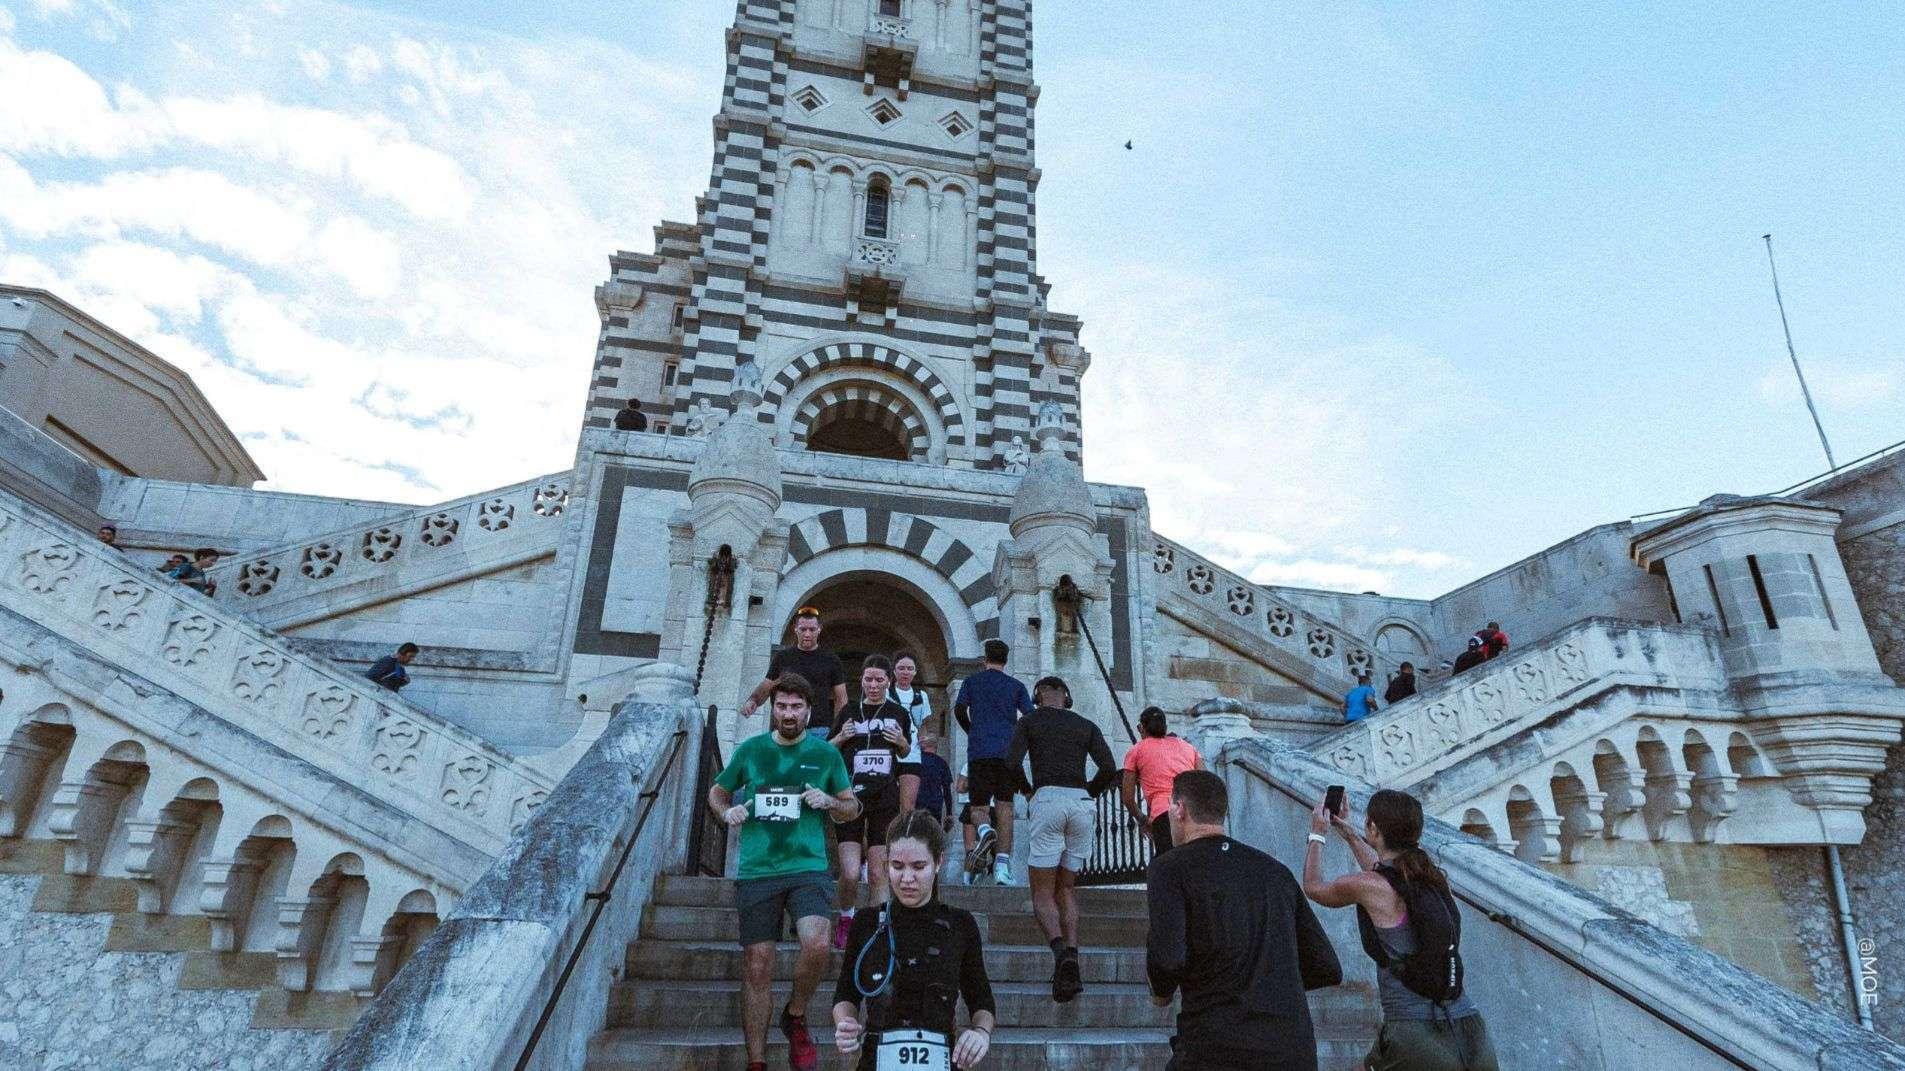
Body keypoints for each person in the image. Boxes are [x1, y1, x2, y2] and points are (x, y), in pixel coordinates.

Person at [708, 673, 861, 1071]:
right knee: (758, 963)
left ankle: (795, 1014)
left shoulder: (825, 754)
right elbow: (718, 791)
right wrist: (727, 812)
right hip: (758, 870)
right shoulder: (751, 750)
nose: (789, 714)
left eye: (796, 707)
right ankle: (756, 1061)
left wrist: (829, 800)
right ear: (772, 709)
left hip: (807, 866)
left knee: (817, 942)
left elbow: (852, 807)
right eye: (782, 706)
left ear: (809, 711)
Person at [1148, 770, 1343, 1071]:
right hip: (1292, 1048)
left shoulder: (1170, 868)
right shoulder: (1275, 872)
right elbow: (1326, 966)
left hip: (1218, 1047)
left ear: (1179, 809)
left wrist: (1161, 992)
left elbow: (1168, 959)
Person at [1301, 789, 1499, 1071]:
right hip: (1469, 1029)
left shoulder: (1369, 886)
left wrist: (1317, 833)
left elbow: (1313, 887)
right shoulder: (1430, 876)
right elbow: (1383, 872)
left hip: (1414, 1034)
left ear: (1374, 827)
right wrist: (1350, 835)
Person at [833, 810, 996, 1071]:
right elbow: (845, 994)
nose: (907, 878)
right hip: (877, 1058)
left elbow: (982, 1001)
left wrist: (980, 1033)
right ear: (886, 863)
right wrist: (845, 1024)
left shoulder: (961, 925)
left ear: (938, 862)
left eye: (918, 867)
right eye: (897, 866)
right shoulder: (866, 923)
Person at [1004, 675, 1117, 1003]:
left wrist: (1027, 789)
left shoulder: (1029, 721)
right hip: (1080, 803)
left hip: (1048, 798)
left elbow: (1010, 762)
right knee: (1066, 888)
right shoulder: (1085, 724)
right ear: (1067, 696)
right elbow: (1108, 767)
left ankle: (1060, 953)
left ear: (1037, 697)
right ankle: (1073, 954)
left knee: (1041, 890)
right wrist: (1089, 793)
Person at [830, 655, 915, 950]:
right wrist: (842, 736)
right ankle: (846, 917)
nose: (874, 685)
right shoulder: (849, 711)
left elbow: (906, 752)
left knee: (879, 871)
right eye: (869, 679)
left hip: (884, 797)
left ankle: (880, 927)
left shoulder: (898, 712)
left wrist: (901, 741)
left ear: (889, 681)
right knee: (851, 873)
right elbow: (828, 750)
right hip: (849, 797)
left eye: (879, 680)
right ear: (862, 681)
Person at [953, 639, 1033, 886]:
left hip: (979, 752)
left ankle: (985, 831)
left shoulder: (971, 682)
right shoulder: (1016, 686)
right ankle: (1001, 868)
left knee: (978, 808)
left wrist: (973, 730)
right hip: (1007, 753)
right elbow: (1029, 716)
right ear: (1006, 660)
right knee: (1005, 808)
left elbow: (959, 709)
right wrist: (1013, 735)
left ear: (985, 658)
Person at [741, 608, 849, 740]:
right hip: (786, 727)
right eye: (803, 629)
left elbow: (841, 698)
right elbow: (768, 685)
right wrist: (753, 701)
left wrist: (837, 729)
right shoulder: (783, 657)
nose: (807, 634)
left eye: (812, 629)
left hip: (819, 730)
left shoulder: (831, 660)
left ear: (819, 629)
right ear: (795, 629)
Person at [1122, 707, 1201, 857]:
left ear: (1141, 728)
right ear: (1165, 727)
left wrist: (1142, 819)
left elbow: (1127, 797)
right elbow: (1205, 780)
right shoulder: (1188, 747)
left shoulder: (1136, 750)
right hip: (1193, 812)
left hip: (1164, 814)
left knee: (1168, 864)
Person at [899, 725, 954, 830]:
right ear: (936, 744)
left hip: (915, 804)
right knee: (932, 835)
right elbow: (947, 790)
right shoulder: (942, 763)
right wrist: (949, 813)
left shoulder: (913, 761)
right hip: (934, 806)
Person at [890, 651, 933, 736]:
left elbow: (923, 725)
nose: (905, 672)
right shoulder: (886, 693)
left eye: (910, 669)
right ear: (894, 671)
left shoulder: (922, 696)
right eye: (901, 668)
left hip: (914, 745)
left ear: (915, 672)